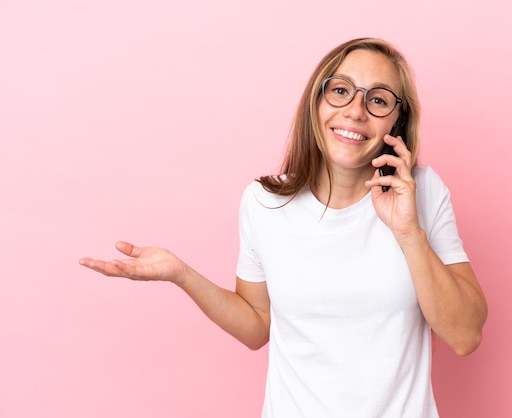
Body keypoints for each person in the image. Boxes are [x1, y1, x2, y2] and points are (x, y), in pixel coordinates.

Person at [79, 37, 488, 418]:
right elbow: (258, 325)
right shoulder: (264, 203)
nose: (356, 111)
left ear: (396, 124)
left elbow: (465, 336)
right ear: (317, 102)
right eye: (341, 90)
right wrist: (182, 275)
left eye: (378, 100)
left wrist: (407, 232)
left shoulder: (423, 191)